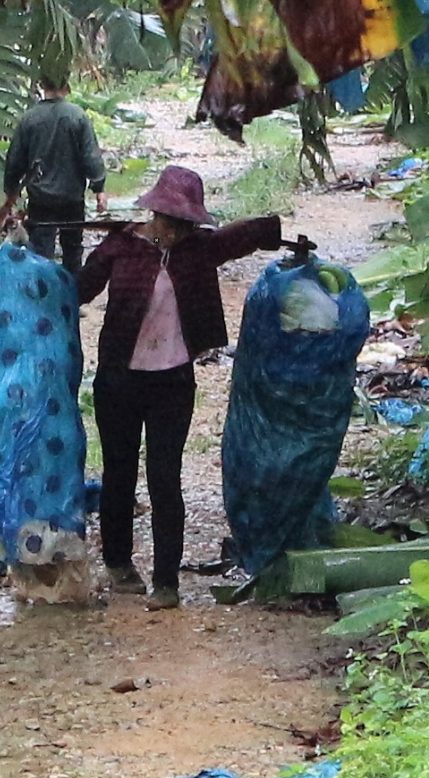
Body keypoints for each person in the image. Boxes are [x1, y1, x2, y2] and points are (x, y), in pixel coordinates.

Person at [78, 165, 284, 608]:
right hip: (119, 379)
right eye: (169, 224)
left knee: (164, 478)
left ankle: (166, 582)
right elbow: (77, 289)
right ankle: (118, 564)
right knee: (118, 474)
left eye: (184, 226)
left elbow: (243, 236)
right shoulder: (121, 247)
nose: (174, 234)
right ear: (154, 215)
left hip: (172, 382)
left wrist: (279, 234)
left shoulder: (198, 250)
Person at [2, 73, 105, 275]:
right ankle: (73, 297)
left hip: (41, 199)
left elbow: (15, 160)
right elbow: (90, 156)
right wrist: (99, 188)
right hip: (71, 197)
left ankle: (42, 296)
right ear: (66, 86)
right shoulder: (78, 116)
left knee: (40, 253)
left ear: (42, 85)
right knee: (73, 251)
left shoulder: (29, 118)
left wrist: (10, 192)